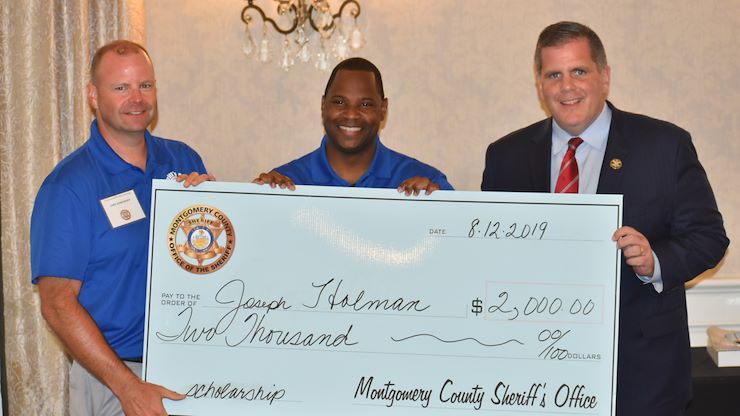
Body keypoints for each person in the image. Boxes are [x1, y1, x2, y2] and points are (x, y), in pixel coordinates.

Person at [481, 21, 728, 416]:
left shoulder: (664, 146)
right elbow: (488, 255)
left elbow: (710, 237)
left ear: (605, 76)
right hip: (534, 376)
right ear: (540, 86)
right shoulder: (505, 156)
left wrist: (655, 261)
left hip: (641, 377)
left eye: (579, 71)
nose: (567, 87)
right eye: (553, 75)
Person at [31, 40, 213, 416]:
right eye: (121, 87)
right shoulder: (69, 186)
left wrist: (218, 208)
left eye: (145, 85)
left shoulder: (183, 159)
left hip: (189, 369)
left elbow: (210, 264)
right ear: (93, 96)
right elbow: (56, 303)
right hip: (114, 380)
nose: (137, 98)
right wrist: (128, 388)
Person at [253, 57, 453, 194]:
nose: (350, 114)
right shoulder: (285, 183)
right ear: (323, 105)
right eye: (339, 102)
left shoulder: (427, 182)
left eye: (365, 104)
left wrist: (439, 206)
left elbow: (462, 244)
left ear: (383, 109)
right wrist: (259, 198)